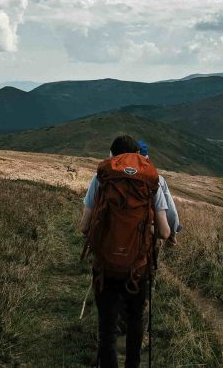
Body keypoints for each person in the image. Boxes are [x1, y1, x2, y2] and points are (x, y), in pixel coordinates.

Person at [79, 135, 170, 368]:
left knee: (107, 328)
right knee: (134, 320)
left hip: (105, 267)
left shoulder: (101, 178)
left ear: (113, 156)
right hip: (137, 268)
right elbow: (164, 231)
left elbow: (84, 227)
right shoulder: (151, 180)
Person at [137, 140, 182, 245]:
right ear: (147, 158)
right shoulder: (157, 180)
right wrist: (172, 234)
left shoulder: (112, 177)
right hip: (146, 232)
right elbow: (171, 212)